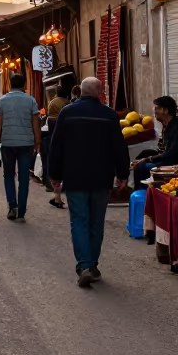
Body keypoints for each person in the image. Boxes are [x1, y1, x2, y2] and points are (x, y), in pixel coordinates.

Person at [49, 77, 130, 287]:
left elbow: (56, 146)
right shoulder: (109, 115)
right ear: (99, 92)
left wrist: (54, 174)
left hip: (75, 176)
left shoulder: (67, 113)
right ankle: (92, 263)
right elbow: (119, 148)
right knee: (96, 221)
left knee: (79, 220)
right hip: (101, 177)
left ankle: (85, 264)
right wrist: (122, 174)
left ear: (81, 92)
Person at [0, 73, 41, 222]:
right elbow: (36, 123)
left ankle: (12, 205)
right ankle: (22, 211)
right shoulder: (31, 100)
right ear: (24, 85)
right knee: (24, 177)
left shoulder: (2, 101)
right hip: (26, 143)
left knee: (8, 175)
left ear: (10, 84)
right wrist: (37, 143)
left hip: (7, 143)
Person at [131, 95, 178, 188]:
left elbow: (171, 154)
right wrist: (146, 157)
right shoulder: (167, 125)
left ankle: (145, 194)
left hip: (175, 164)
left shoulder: (177, 128)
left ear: (166, 110)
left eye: (157, 108)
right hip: (168, 159)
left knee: (141, 167)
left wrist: (148, 159)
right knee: (144, 154)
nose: (155, 111)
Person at [42, 86, 68, 209]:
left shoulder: (52, 102)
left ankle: (53, 190)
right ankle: (57, 195)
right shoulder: (67, 103)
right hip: (63, 135)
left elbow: (48, 116)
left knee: (53, 163)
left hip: (51, 134)